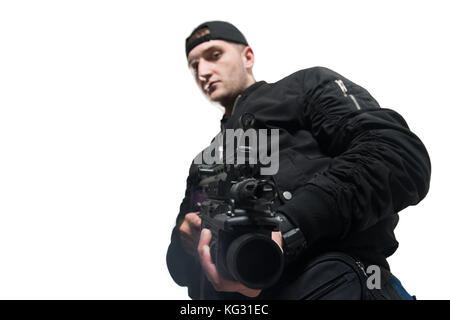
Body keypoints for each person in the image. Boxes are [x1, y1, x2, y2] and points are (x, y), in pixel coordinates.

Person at [166, 21, 431, 300]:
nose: (203, 71)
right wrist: (184, 240)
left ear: (248, 57)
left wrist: (289, 228)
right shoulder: (205, 161)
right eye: (194, 65)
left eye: (214, 55)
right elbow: (180, 270)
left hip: (334, 287)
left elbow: (396, 154)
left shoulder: (303, 87)